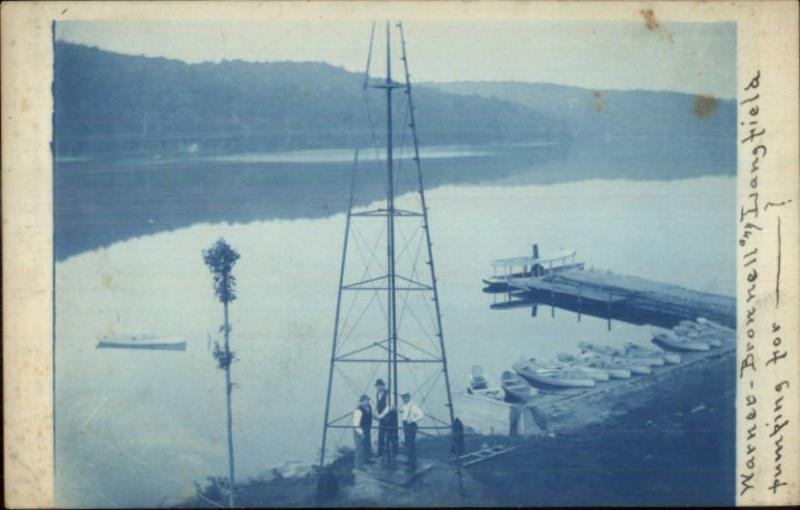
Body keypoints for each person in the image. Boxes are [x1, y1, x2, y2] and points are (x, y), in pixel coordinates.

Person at [400, 392, 424, 473]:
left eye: (406, 398)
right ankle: (410, 460)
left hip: (411, 426)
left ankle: (412, 464)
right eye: (403, 398)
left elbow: (421, 415)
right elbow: (403, 411)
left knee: (411, 444)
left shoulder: (413, 406)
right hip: (406, 425)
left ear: (409, 398)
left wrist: (413, 420)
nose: (404, 399)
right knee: (408, 443)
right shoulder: (405, 406)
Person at [374, 379, 398, 461]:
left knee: (392, 436)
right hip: (382, 419)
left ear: (383, 386)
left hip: (390, 418)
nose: (378, 387)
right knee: (381, 435)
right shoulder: (377, 394)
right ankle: (380, 454)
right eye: (377, 386)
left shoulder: (389, 394)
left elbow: (390, 406)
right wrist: (377, 414)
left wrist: (381, 415)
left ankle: (395, 454)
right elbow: (378, 405)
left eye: (380, 385)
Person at [352, 394, 372, 470]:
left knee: (367, 445)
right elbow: (356, 424)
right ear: (362, 401)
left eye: (368, 400)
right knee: (359, 448)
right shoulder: (358, 410)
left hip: (367, 429)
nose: (368, 402)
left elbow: (371, 416)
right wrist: (361, 433)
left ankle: (367, 459)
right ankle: (359, 466)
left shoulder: (369, 407)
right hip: (359, 430)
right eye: (366, 400)